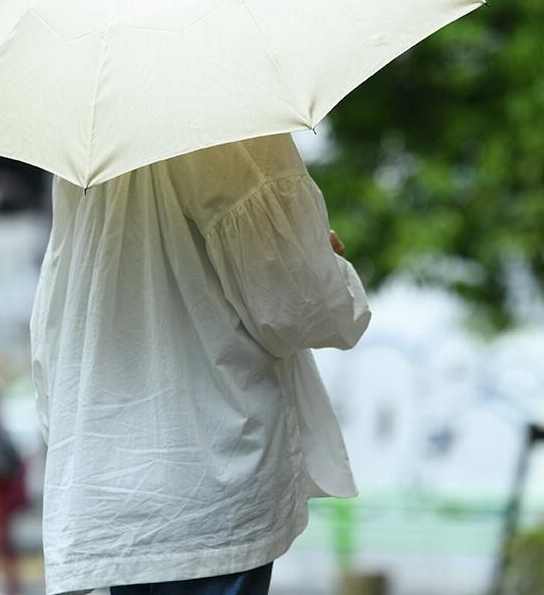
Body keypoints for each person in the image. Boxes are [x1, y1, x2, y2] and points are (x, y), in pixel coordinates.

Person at [29, 132, 372, 595]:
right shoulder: (233, 125)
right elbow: (299, 307)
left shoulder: (88, 144)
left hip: (118, 486)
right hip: (210, 485)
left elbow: (54, 309)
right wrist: (327, 263)